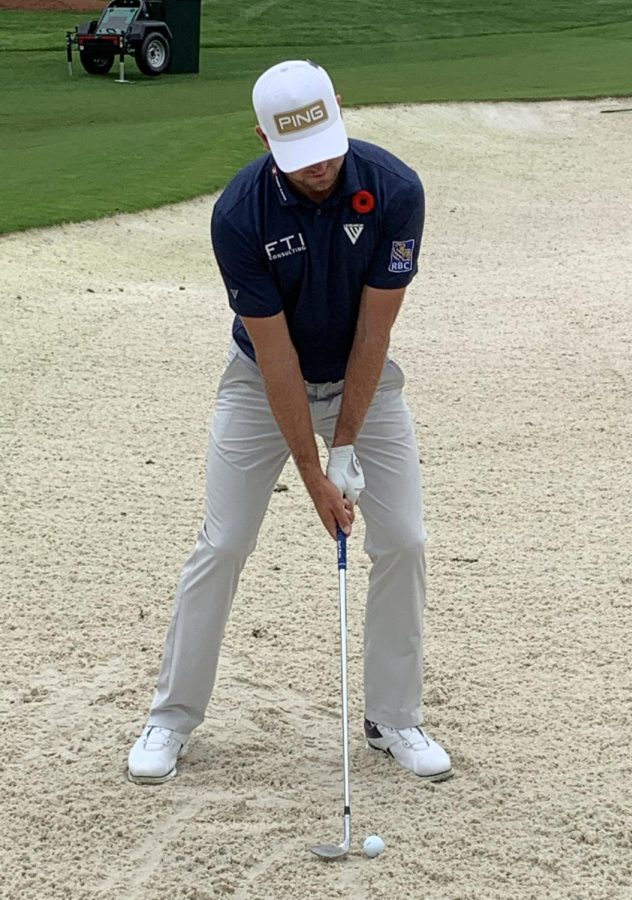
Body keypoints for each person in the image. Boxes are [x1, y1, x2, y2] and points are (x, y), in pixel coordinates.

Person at [128, 59, 451, 784]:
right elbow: (274, 359)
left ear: (339, 107)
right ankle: (171, 718)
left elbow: (374, 335)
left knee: (403, 537)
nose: (321, 167)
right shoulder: (239, 213)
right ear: (263, 137)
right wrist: (314, 476)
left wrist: (346, 445)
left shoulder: (394, 190)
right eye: (301, 158)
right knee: (224, 541)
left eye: (329, 145)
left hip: (362, 382)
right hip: (259, 385)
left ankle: (393, 716)